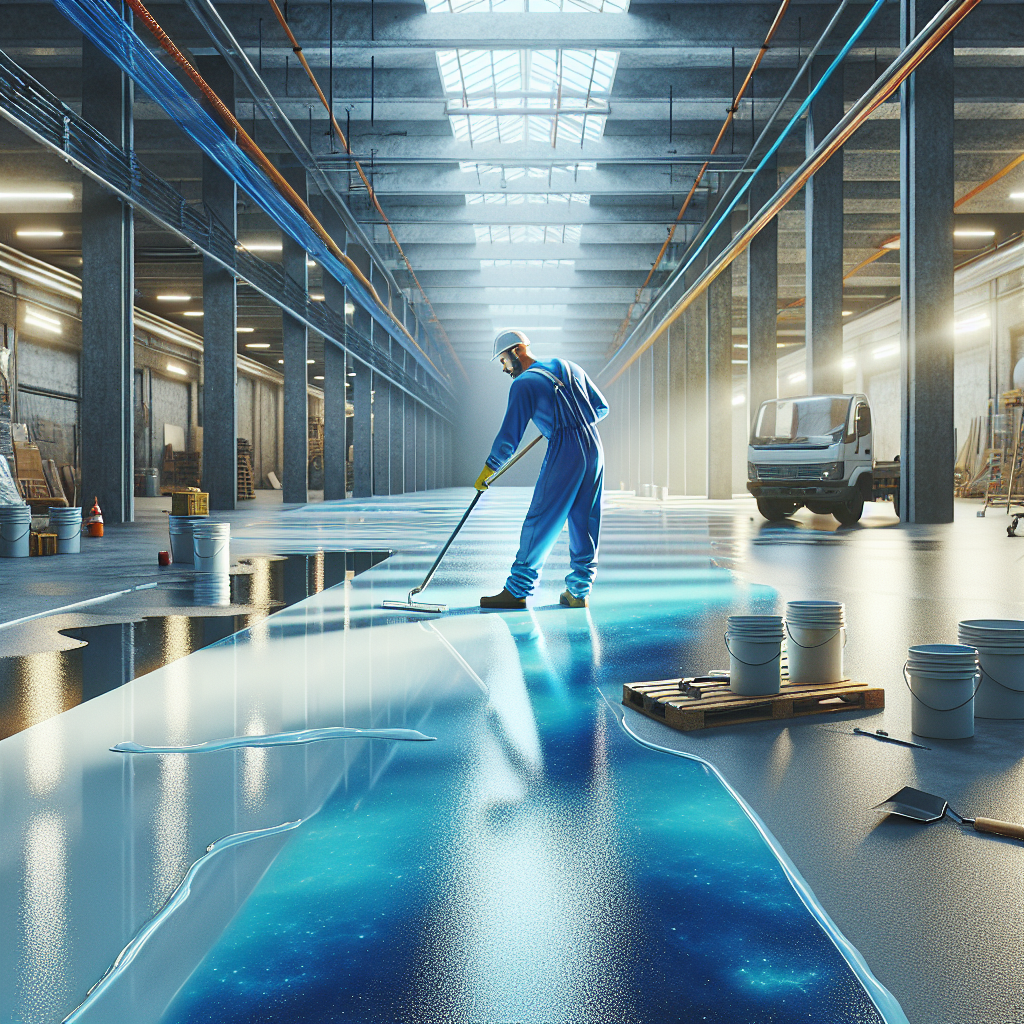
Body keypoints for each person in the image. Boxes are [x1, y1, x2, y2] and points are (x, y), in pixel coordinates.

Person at [475, 330, 608, 609]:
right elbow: (601, 408)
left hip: (565, 450)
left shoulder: (524, 384)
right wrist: (576, 420)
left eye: (503, 360)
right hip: (594, 447)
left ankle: (518, 590)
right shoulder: (568, 366)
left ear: (517, 351)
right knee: (585, 520)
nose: (503, 368)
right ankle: (579, 591)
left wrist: (489, 471)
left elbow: (509, 438)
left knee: (541, 518)